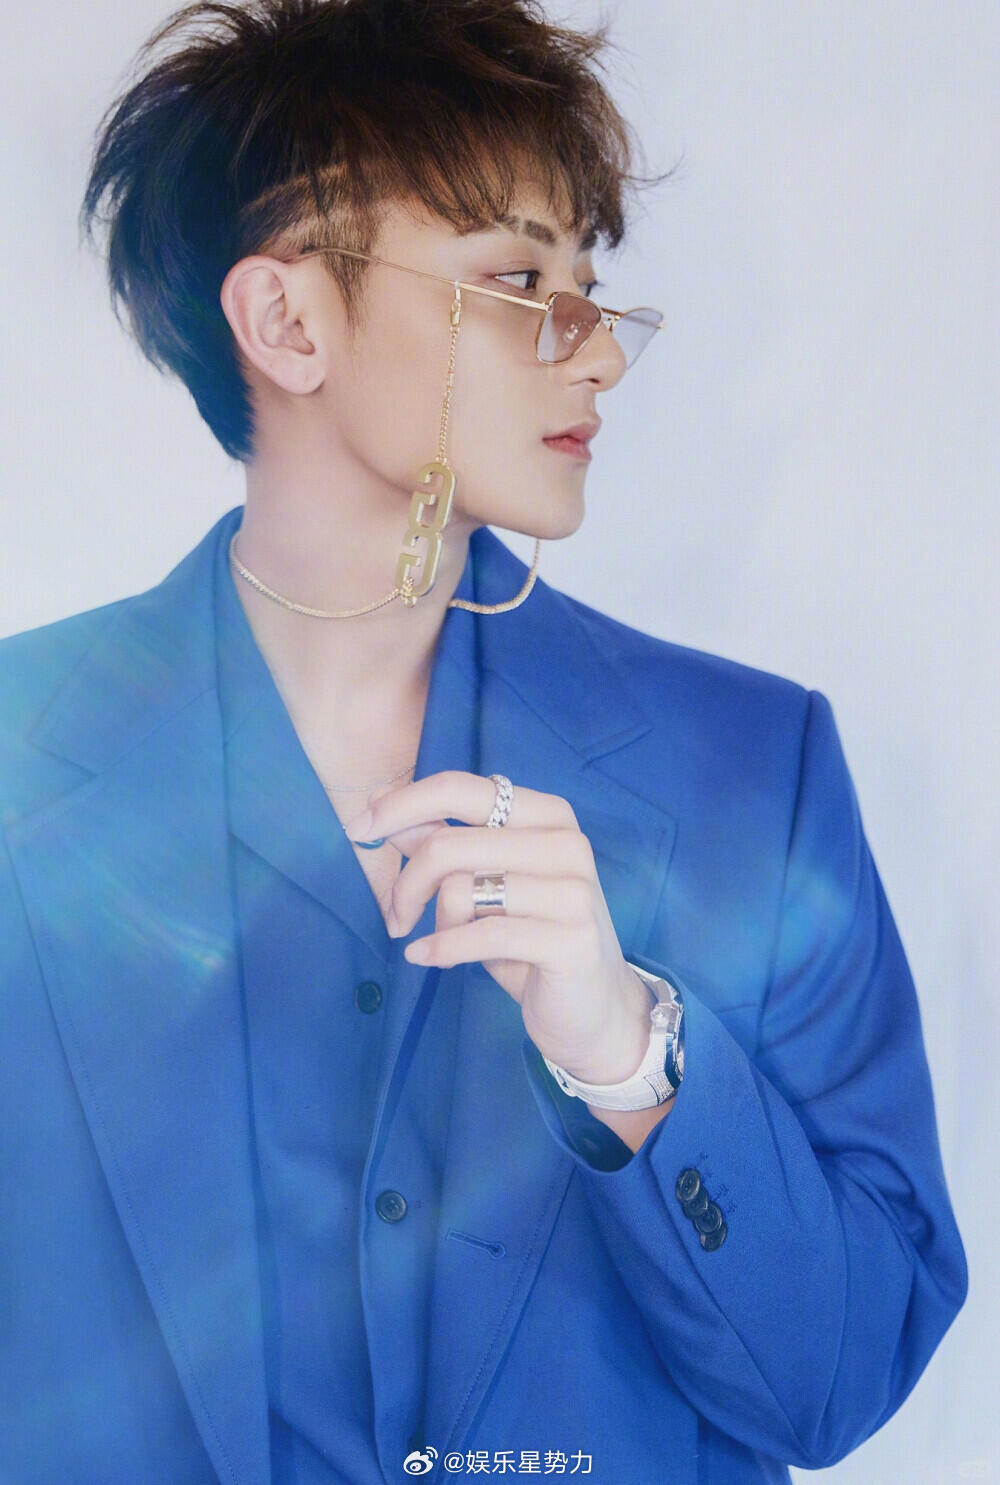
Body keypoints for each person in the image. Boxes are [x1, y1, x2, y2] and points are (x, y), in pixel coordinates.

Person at [0, 1, 967, 1481]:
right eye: (519, 279)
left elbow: (841, 1378)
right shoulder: (22, 764)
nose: (598, 354)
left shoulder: (751, 770)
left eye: (590, 284)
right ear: (287, 322)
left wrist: (629, 1052)